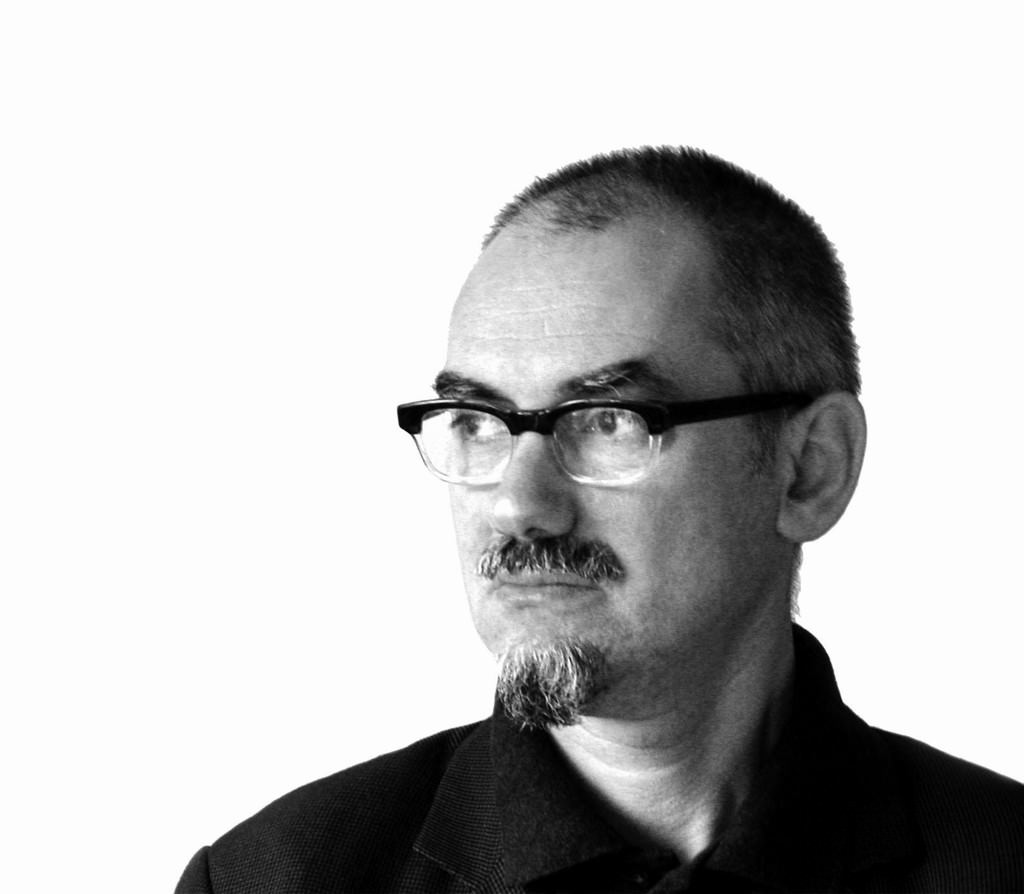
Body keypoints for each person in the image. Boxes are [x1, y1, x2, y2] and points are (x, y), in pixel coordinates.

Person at [175, 147, 1024, 893]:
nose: (518, 505)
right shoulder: (275, 878)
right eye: (477, 421)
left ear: (811, 469)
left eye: (608, 421)